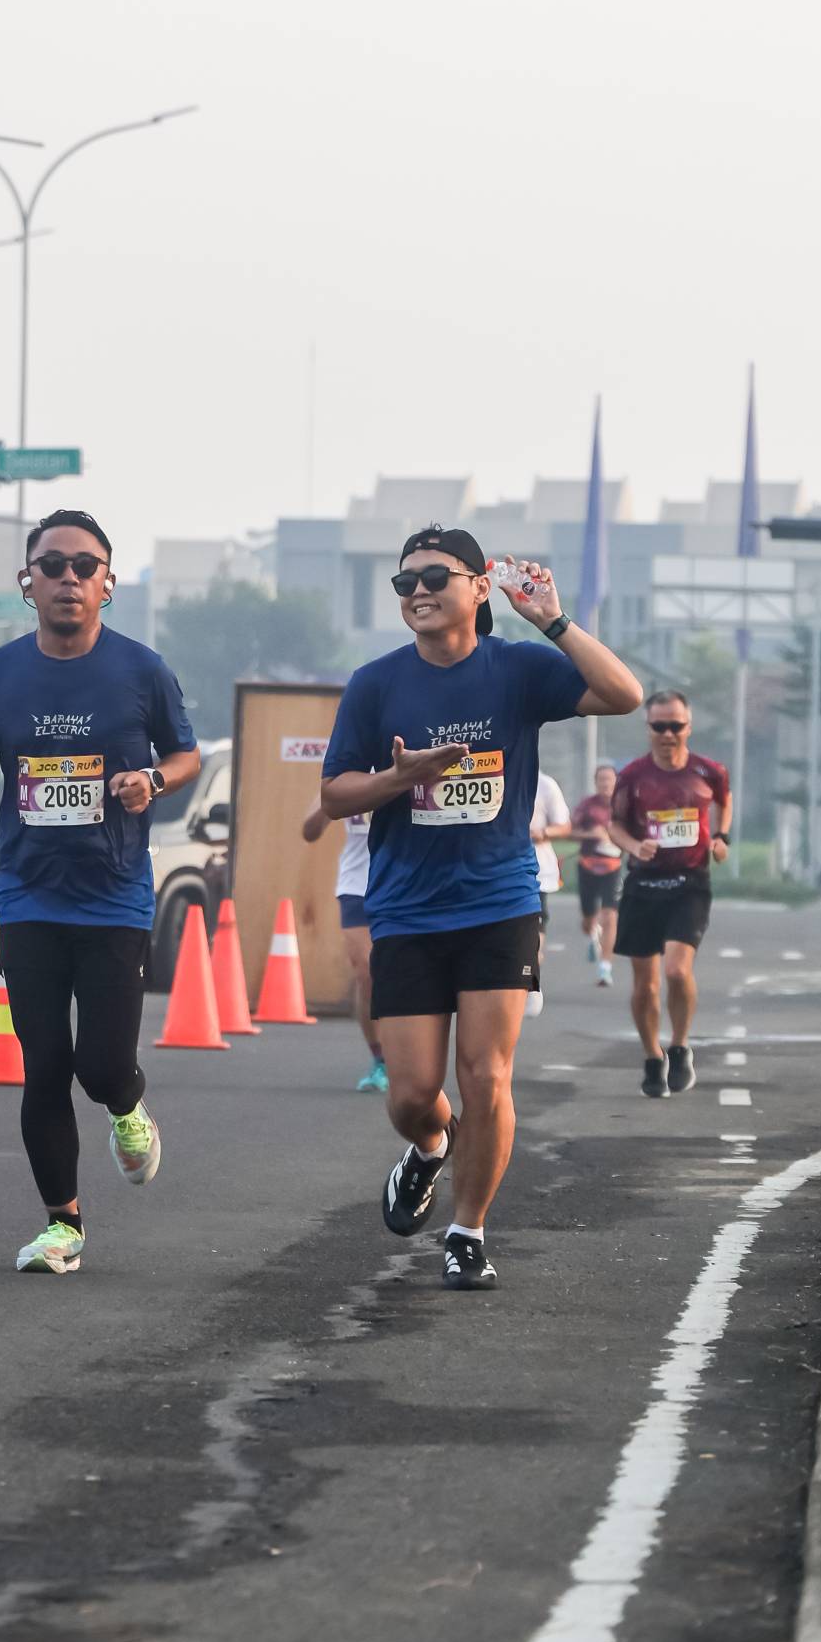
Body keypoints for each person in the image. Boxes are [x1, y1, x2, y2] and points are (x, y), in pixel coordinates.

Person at [319, 528, 643, 1290]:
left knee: (487, 1076)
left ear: (478, 587)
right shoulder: (375, 684)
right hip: (406, 909)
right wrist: (402, 779)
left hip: (499, 902)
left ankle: (467, 1232)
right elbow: (334, 795)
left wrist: (552, 621)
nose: (418, 592)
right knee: (411, 1095)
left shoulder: (518, 669)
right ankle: (432, 1149)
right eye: (405, 583)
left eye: (436, 577)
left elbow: (624, 695)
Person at [0, 510, 199, 1274]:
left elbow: (186, 756)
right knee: (44, 1064)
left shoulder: (141, 669)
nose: (67, 579)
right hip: (30, 894)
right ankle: (63, 1225)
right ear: (27, 583)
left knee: (101, 1067)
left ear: (107, 583)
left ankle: (127, 1106)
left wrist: (153, 781)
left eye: (84, 567)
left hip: (114, 895)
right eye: (52, 566)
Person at [608, 691, 731, 1098]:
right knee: (646, 985)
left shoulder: (709, 771)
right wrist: (634, 846)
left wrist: (720, 837)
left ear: (688, 728)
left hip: (689, 883)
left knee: (677, 971)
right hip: (643, 885)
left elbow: (724, 802)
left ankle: (680, 1047)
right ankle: (652, 1056)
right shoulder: (633, 776)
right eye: (659, 726)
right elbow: (614, 825)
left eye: (675, 726)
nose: (667, 734)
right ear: (648, 729)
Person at [302, 797, 384, 1088]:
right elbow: (309, 831)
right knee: (366, 972)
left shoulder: (409, 770)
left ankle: (410, 1053)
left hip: (403, 882)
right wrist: (330, 802)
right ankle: (381, 1060)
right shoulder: (348, 775)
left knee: (404, 973)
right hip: (356, 884)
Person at [525, 766, 573, 1015]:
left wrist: (542, 833)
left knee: (534, 931)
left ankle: (532, 979)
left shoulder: (545, 785)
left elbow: (564, 826)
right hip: (495, 869)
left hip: (537, 871)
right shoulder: (491, 776)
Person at [572, 763, 624, 985]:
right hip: (588, 865)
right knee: (588, 918)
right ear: (595, 782)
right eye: (601, 779)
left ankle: (605, 968)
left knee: (610, 915)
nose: (605, 784)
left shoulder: (623, 806)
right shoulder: (587, 805)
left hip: (612, 866)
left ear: (616, 782)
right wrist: (590, 834)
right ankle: (592, 933)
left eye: (609, 779)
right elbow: (570, 831)